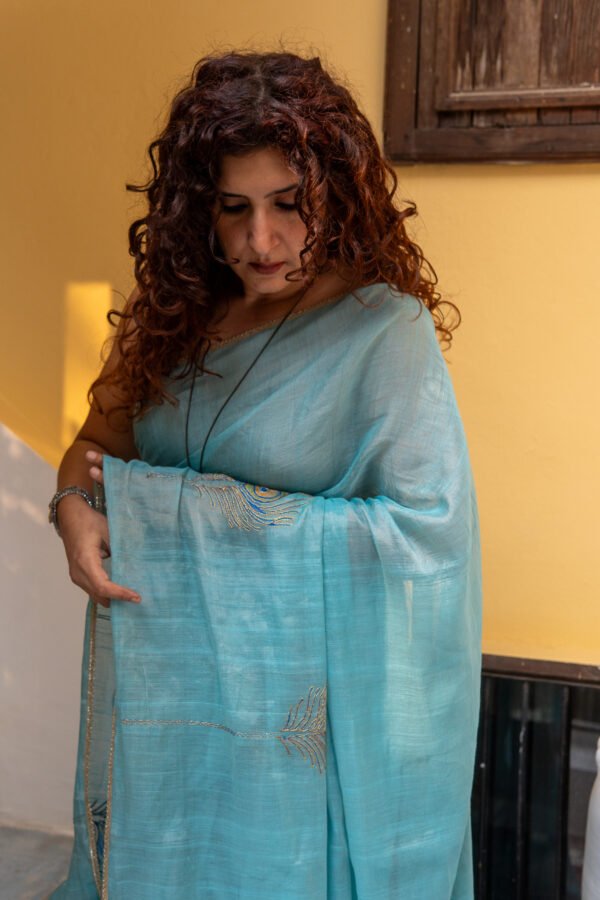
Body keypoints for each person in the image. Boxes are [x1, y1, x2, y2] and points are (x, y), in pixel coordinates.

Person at [49, 51, 481, 899]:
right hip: (172, 720)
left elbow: (425, 536)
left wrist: (189, 516)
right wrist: (75, 503)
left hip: (300, 753)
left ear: (337, 198)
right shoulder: (172, 317)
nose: (261, 241)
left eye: (289, 204)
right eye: (233, 208)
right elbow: (97, 446)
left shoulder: (381, 332)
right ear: (197, 211)